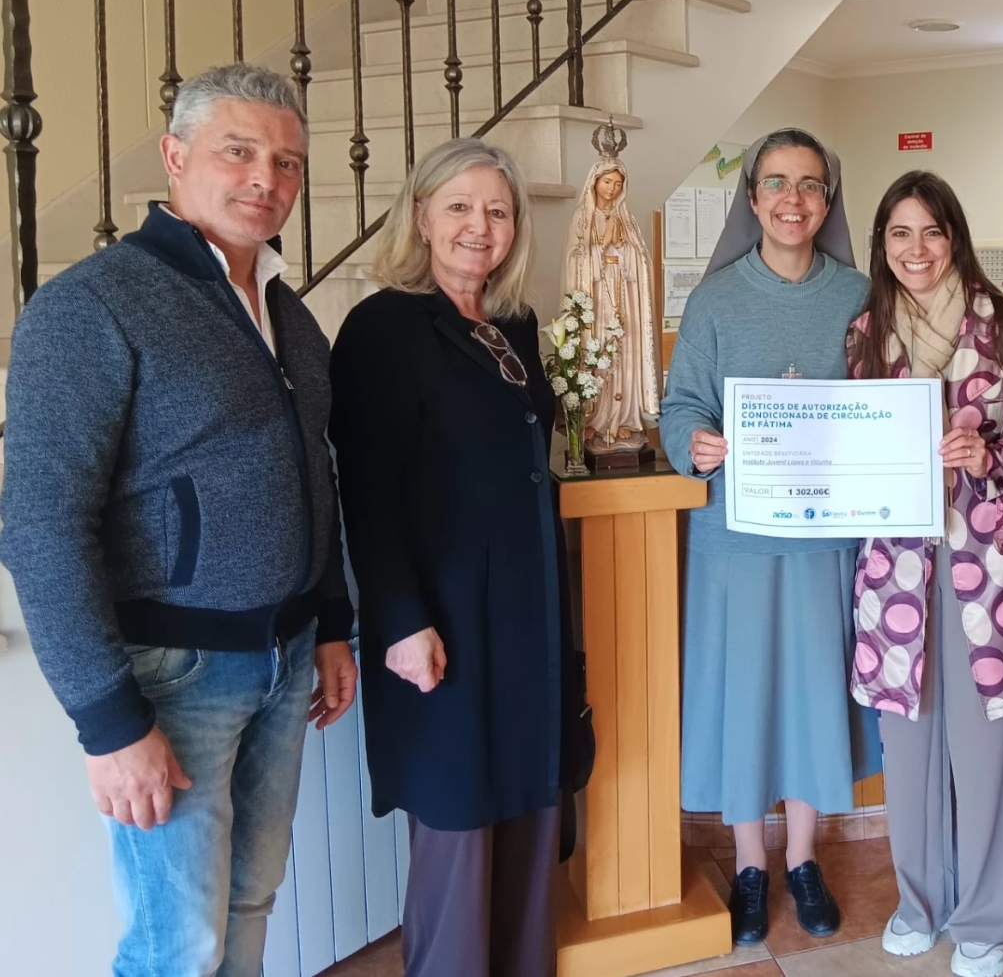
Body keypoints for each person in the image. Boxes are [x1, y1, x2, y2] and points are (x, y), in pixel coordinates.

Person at [0, 63, 357, 977]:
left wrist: (330, 621)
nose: (265, 178)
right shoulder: (92, 305)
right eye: (238, 151)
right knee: (177, 946)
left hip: (285, 660)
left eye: (286, 162)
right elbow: (40, 521)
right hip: (174, 676)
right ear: (173, 155)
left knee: (250, 901)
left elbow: (311, 472)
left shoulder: (288, 313)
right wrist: (109, 720)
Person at [328, 137, 584, 977]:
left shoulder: (514, 324)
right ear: (420, 217)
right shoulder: (382, 328)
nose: (481, 225)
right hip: (442, 622)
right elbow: (367, 491)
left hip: (524, 616)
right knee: (459, 827)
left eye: (498, 210)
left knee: (529, 822)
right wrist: (401, 621)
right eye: (460, 207)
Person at [661, 127, 883, 945]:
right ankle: (751, 864)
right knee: (745, 696)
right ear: (752, 198)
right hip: (735, 539)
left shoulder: (859, 293)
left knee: (812, 693)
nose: (794, 199)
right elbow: (682, 403)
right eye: (778, 183)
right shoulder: (715, 299)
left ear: (828, 200)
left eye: (810, 184)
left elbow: (885, 395)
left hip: (827, 541)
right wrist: (693, 442)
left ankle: (803, 857)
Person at [847, 170, 1003, 977]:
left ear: (954, 237)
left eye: (931, 231)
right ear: (881, 244)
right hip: (896, 571)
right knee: (909, 742)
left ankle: (986, 916)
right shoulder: (865, 332)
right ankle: (919, 901)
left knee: (987, 746)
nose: (916, 249)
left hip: (989, 563)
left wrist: (989, 455)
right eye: (899, 233)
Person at [559, 150, 659, 451]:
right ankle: (595, 420)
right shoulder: (582, 218)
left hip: (622, 296)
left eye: (617, 183)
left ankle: (625, 418)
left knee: (624, 352)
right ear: (595, 182)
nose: (612, 189)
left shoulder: (626, 219)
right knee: (597, 351)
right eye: (607, 182)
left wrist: (623, 247)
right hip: (595, 301)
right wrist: (603, 245)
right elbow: (574, 259)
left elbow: (641, 260)